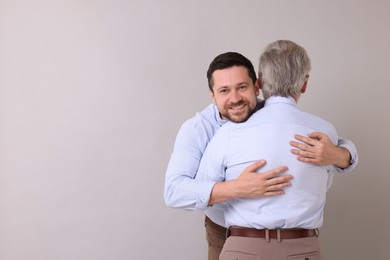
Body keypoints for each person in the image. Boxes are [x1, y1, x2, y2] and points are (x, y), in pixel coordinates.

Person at [164, 50, 358, 260]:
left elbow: (334, 143)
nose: (235, 98)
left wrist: (340, 155)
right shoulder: (197, 129)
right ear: (212, 95)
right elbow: (175, 191)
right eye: (224, 91)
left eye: (242, 87)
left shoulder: (271, 112)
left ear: (258, 86)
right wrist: (238, 188)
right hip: (222, 230)